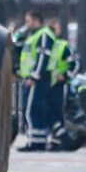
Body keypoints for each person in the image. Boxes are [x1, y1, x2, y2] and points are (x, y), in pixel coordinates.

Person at [19, 12, 71, 150]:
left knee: (31, 110)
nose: (27, 24)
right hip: (36, 78)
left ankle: (36, 143)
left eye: (28, 21)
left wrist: (34, 76)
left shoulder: (43, 35)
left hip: (38, 79)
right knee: (36, 110)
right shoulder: (35, 36)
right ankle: (37, 141)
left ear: (37, 21)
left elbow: (42, 57)